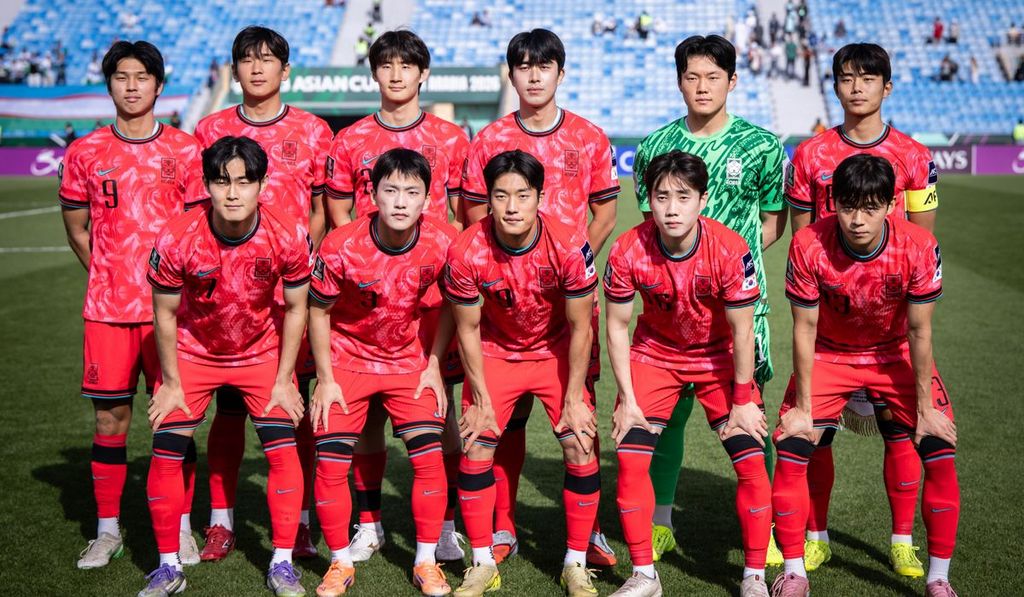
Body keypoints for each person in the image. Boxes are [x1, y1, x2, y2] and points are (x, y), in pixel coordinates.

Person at [459, 28, 620, 568]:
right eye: (523, 66)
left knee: (580, 416)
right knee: (504, 421)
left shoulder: (590, 137)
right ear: (511, 75)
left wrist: (565, 266)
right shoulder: (489, 139)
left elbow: (605, 213)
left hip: (568, 304)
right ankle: (502, 524)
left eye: (543, 65)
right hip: (503, 305)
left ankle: (591, 531)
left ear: (560, 73)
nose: (533, 75)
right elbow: (474, 216)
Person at [771, 154, 959, 597]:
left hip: (894, 355)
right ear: (833, 201)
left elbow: (919, 330)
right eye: (848, 207)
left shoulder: (918, 245)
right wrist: (802, 408)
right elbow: (804, 328)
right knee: (792, 446)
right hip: (829, 353)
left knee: (940, 450)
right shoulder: (808, 244)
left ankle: (938, 579)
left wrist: (925, 408)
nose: (857, 220)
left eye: (871, 208)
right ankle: (795, 572)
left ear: (892, 205)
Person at [785, 43, 940, 577]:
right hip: (829, 326)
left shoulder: (916, 156)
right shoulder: (810, 155)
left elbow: (922, 241)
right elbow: (804, 237)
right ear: (834, 86)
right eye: (847, 78)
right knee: (816, 434)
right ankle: (817, 537)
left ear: (886, 87)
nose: (857, 87)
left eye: (868, 78)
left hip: (890, 327)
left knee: (901, 432)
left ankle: (902, 540)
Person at [632, 34, 786, 566]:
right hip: (671, 312)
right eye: (692, 77)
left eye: (713, 77)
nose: (702, 87)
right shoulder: (655, 146)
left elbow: (772, 224)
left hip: (741, 309)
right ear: (679, 81)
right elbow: (652, 226)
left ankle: (767, 529)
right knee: (667, 419)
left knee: (751, 417)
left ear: (732, 81)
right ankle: (661, 522)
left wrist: (725, 269)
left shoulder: (763, 146)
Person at [322, 29, 471, 565]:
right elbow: (338, 215)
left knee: (441, 409)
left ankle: (446, 525)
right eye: (386, 65)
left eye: (407, 65)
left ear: (423, 73)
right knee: (366, 418)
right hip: (365, 303)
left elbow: (463, 218)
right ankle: (369, 525)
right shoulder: (350, 139)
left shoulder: (452, 138)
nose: (397, 74)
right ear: (374, 73)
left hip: (429, 303)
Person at [140, 136, 312, 597]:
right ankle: (168, 566)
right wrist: (171, 383)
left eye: (243, 182)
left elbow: (297, 308)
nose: (232, 193)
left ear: (262, 185)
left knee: (283, 450)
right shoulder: (177, 235)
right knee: (166, 449)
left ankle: (282, 563)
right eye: (221, 182)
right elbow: (164, 314)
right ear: (206, 185)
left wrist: (285, 379)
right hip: (193, 353)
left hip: (261, 353)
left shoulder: (288, 233)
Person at [61, 40, 205, 572]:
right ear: (109, 85)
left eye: (142, 76)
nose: (131, 85)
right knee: (109, 418)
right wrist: (110, 276)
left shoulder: (186, 150)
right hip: (108, 312)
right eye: (121, 76)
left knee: (175, 421)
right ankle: (106, 531)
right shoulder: (85, 152)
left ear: (159, 85)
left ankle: (182, 529)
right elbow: (78, 230)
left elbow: (197, 232)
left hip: (174, 314)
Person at [193, 25, 334, 562]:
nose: (257, 68)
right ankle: (221, 521)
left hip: (291, 295)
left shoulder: (314, 130)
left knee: (295, 409)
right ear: (234, 70)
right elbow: (198, 211)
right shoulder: (210, 129)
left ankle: (300, 522)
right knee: (229, 409)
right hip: (229, 301)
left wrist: (301, 265)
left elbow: (320, 210)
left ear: (285, 69)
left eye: (267, 58)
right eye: (247, 59)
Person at [607, 151, 771, 597]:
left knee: (751, 459)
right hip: (655, 355)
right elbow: (617, 326)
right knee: (630, 458)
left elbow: (742, 331)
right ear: (649, 200)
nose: (672, 208)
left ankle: (754, 576)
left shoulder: (730, 248)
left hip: (719, 356)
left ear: (703, 199)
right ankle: (644, 575)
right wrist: (628, 399)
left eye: (684, 197)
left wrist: (742, 400)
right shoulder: (627, 248)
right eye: (662, 197)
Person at [444, 150, 601, 597]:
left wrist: (574, 397)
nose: (512, 207)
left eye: (522, 195)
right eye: (501, 196)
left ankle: (575, 563)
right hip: (496, 350)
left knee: (579, 441)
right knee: (477, 442)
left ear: (540, 198)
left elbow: (581, 326)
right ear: (488, 200)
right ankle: (482, 563)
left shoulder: (570, 244)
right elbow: (467, 329)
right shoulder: (466, 250)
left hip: (556, 350)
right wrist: (480, 398)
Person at [308, 148, 457, 597]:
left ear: (427, 199)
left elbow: (454, 304)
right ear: (371, 194)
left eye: (411, 192)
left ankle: (426, 560)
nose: (400, 201)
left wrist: (435, 364)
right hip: (348, 360)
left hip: (410, 362)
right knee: (330, 461)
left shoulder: (443, 241)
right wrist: (326, 379)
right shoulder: (340, 244)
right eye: (390, 190)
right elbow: (318, 311)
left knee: (428, 456)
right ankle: (339, 562)